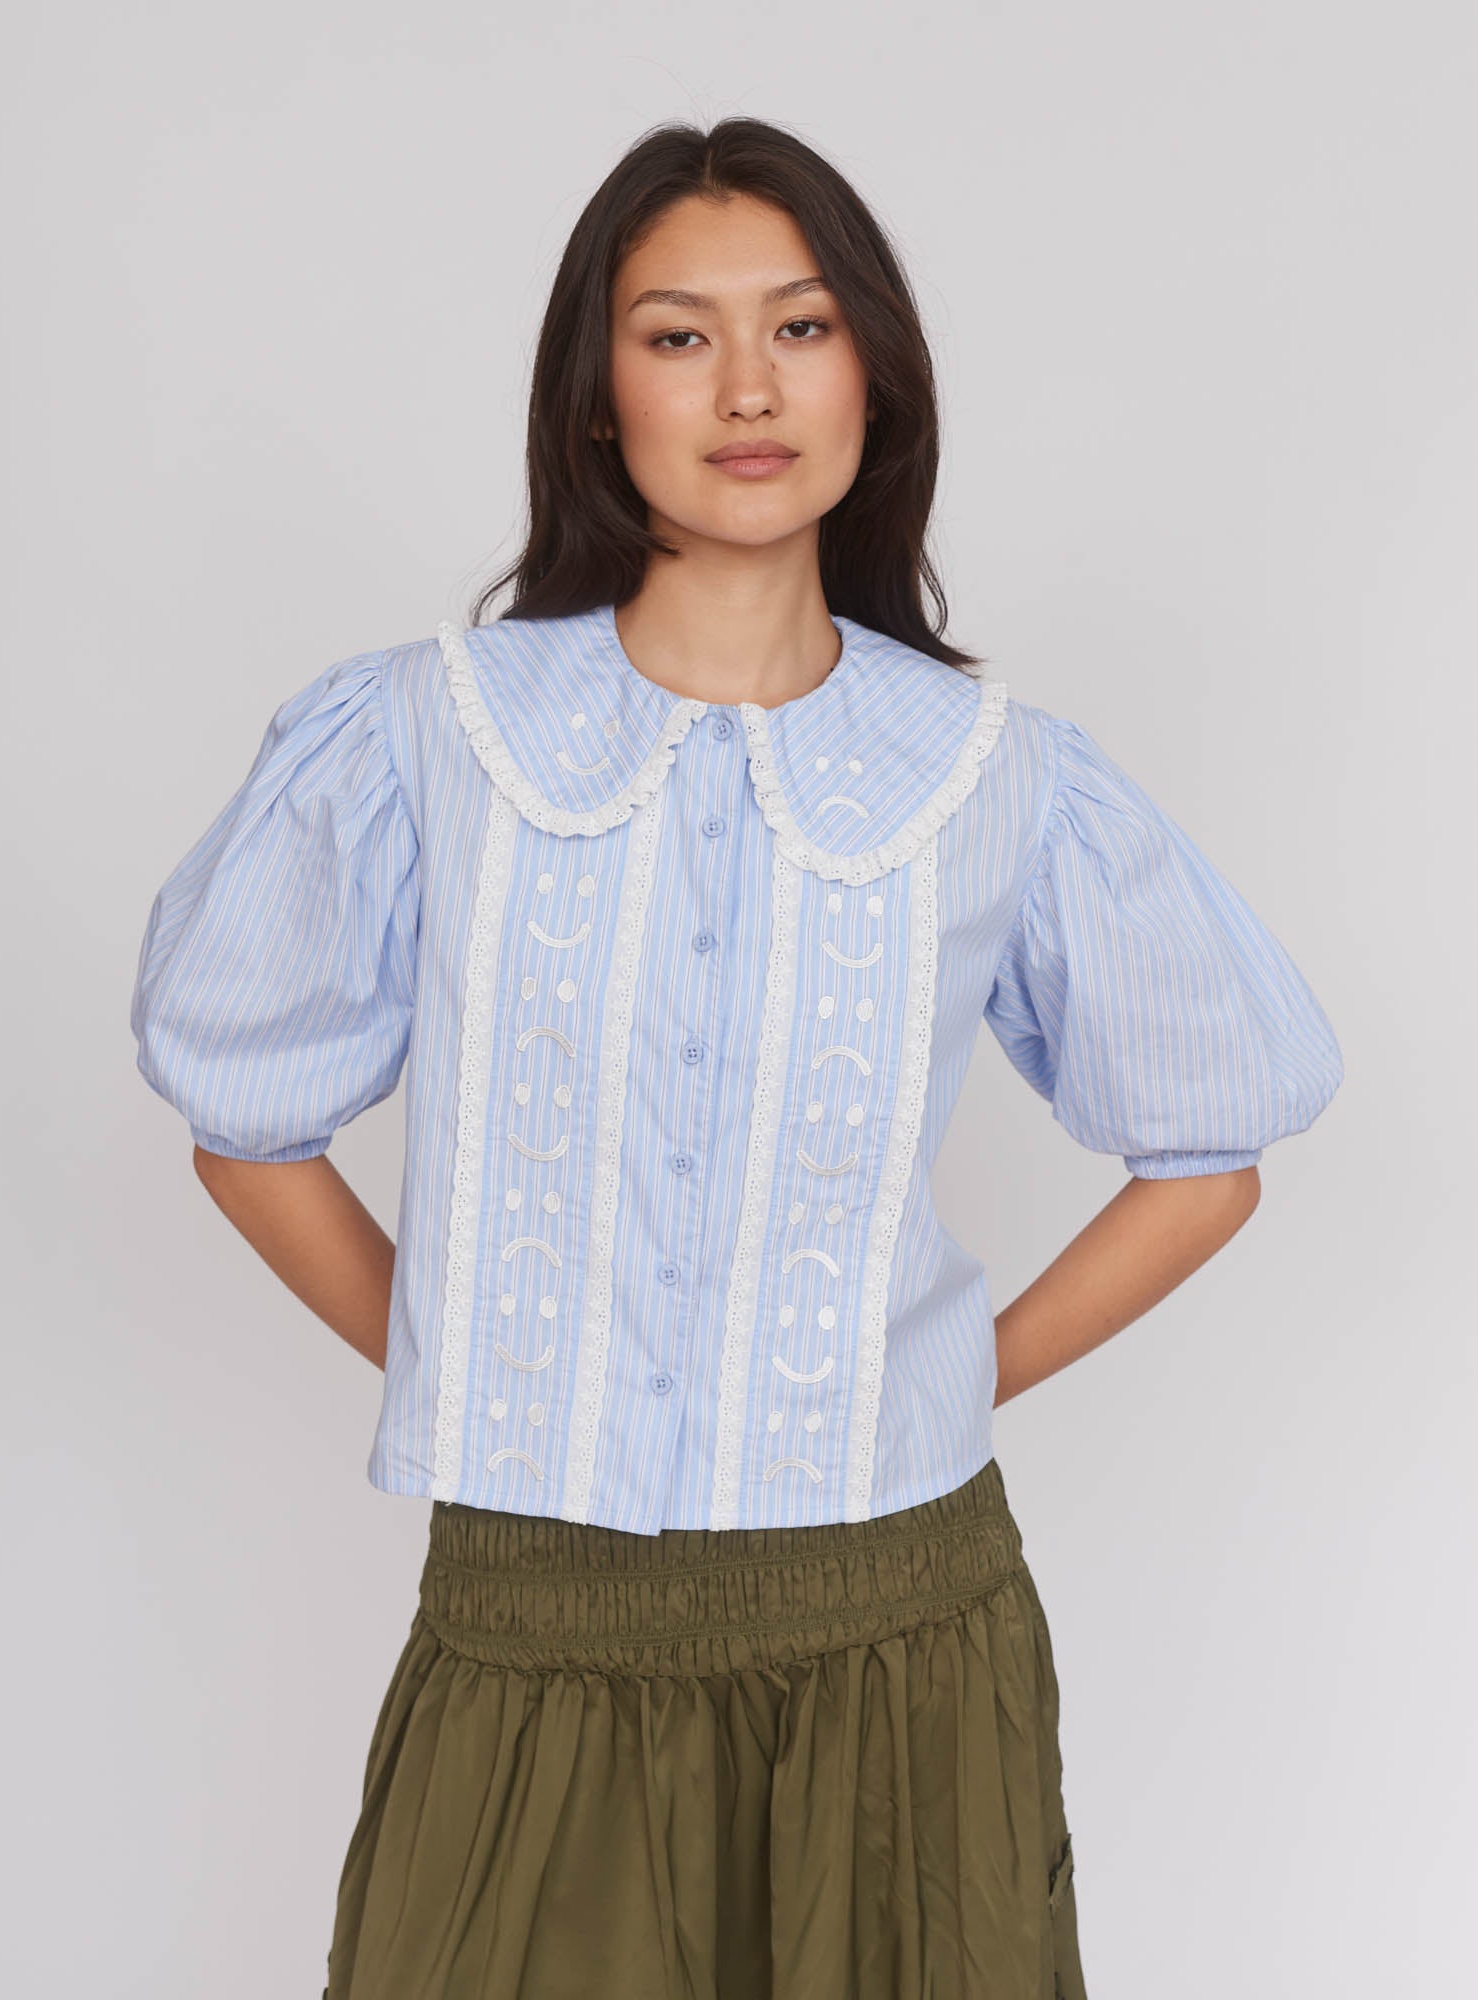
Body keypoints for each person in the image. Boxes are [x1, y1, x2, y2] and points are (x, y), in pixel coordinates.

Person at [128, 117, 1344, 2000]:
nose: (749, 387)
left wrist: (946, 1378)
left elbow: (1213, 1151)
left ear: (875, 376)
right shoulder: (428, 739)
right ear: (596, 396)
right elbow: (243, 1119)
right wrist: (486, 1368)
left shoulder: (994, 778)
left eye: (802, 325)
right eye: (679, 335)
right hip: (531, 1631)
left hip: (905, 1641)